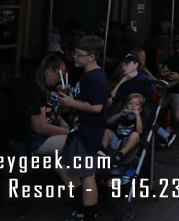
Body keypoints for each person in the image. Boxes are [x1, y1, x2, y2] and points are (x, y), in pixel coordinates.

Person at [58, 35, 109, 221]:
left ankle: (88, 215)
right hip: (80, 129)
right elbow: (107, 99)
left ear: (91, 57)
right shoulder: (92, 75)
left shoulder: (93, 77)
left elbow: (97, 107)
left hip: (87, 130)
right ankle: (81, 206)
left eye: (79, 55)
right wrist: (75, 99)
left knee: (87, 174)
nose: (75, 58)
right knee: (64, 165)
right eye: (75, 54)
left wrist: (72, 102)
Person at [13, 54, 70, 159]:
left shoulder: (51, 88)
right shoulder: (33, 90)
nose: (60, 79)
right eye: (59, 75)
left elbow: (55, 114)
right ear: (48, 72)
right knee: (77, 143)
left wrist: (69, 128)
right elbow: (40, 127)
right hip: (30, 140)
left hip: (47, 137)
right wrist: (69, 133)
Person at [103, 93, 144, 165]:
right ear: (126, 106)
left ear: (140, 109)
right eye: (130, 103)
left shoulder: (140, 118)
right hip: (117, 140)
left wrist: (137, 115)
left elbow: (139, 131)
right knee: (106, 131)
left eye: (137, 105)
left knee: (136, 135)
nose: (133, 106)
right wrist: (120, 114)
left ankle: (121, 154)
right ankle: (101, 152)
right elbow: (108, 122)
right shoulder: (122, 115)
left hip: (127, 142)